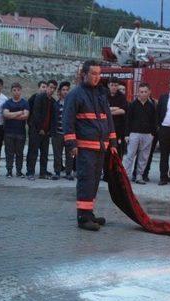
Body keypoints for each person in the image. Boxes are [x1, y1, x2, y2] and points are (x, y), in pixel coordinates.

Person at [63, 60, 117, 231]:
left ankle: (89, 213)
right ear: (84, 74)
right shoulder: (75, 94)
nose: (97, 77)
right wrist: (71, 144)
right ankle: (82, 217)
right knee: (86, 181)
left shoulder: (101, 94)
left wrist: (113, 142)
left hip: (100, 147)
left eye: (99, 74)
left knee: (93, 182)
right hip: (85, 147)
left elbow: (108, 119)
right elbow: (68, 121)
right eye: (93, 74)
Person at [123, 82, 157, 184]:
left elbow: (154, 120)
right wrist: (127, 134)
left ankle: (139, 176)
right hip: (134, 134)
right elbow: (128, 120)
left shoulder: (152, 106)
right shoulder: (132, 105)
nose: (143, 94)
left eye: (145, 92)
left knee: (144, 157)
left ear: (149, 92)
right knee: (130, 156)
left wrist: (152, 134)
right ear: (138, 92)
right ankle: (125, 176)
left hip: (147, 134)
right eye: (141, 92)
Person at [28, 79, 56, 180]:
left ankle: (42, 173)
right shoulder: (39, 98)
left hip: (47, 132)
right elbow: (36, 114)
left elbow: (53, 118)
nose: (51, 90)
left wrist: (49, 131)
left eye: (54, 88)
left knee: (44, 153)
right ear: (47, 87)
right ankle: (30, 172)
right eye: (50, 87)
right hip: (36, 130)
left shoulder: (53, 101)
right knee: (33, 152)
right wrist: (40, 128)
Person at [2, 83, 29, 178]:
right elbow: (5, 115)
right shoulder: (7, 103)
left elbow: (25, 116)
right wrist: (19, 112)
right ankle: (9, 171)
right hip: (9, 132)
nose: (16, 92)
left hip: (20, 133)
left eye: (18, 90)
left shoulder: (25, 103)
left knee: (19, 153)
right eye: (14, 90)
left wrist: (12, 115)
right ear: (11, 91)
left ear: (20, 91)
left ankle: (19, 171)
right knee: (9, 153)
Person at [51, 81, 72, 180]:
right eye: (63, 90)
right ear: (59, 91)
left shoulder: (72, 104)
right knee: (57, 154)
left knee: (69, 154)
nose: (65, 92)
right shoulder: (55, 104)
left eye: (67, 90)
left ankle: (68, 173)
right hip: (57, 133)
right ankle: (57, 172)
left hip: (69, 134)